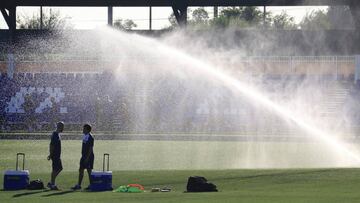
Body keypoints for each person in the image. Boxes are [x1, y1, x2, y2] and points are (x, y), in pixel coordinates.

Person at [71, 124, 95, 190]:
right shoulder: (85, 136)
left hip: (88, 157)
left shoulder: (90, 137)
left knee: (89, 171)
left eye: (84, 129)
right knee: (81, 170)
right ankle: (79, 185)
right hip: (83, 156)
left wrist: (87, 158)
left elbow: (90, 148)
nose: (83, 130)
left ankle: (91, 185)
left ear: (87, 129)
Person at [47, 121, 64, 190]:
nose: (63, 128)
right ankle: (52, 184)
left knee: (59, 168)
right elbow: (51, 145)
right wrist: (50, 154)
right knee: (56, 169)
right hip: (55, 155)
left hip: (57, 155)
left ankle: (51, 183)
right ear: (60, 127)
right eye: (63, 127)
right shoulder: (55, 134)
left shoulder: (57, 134)